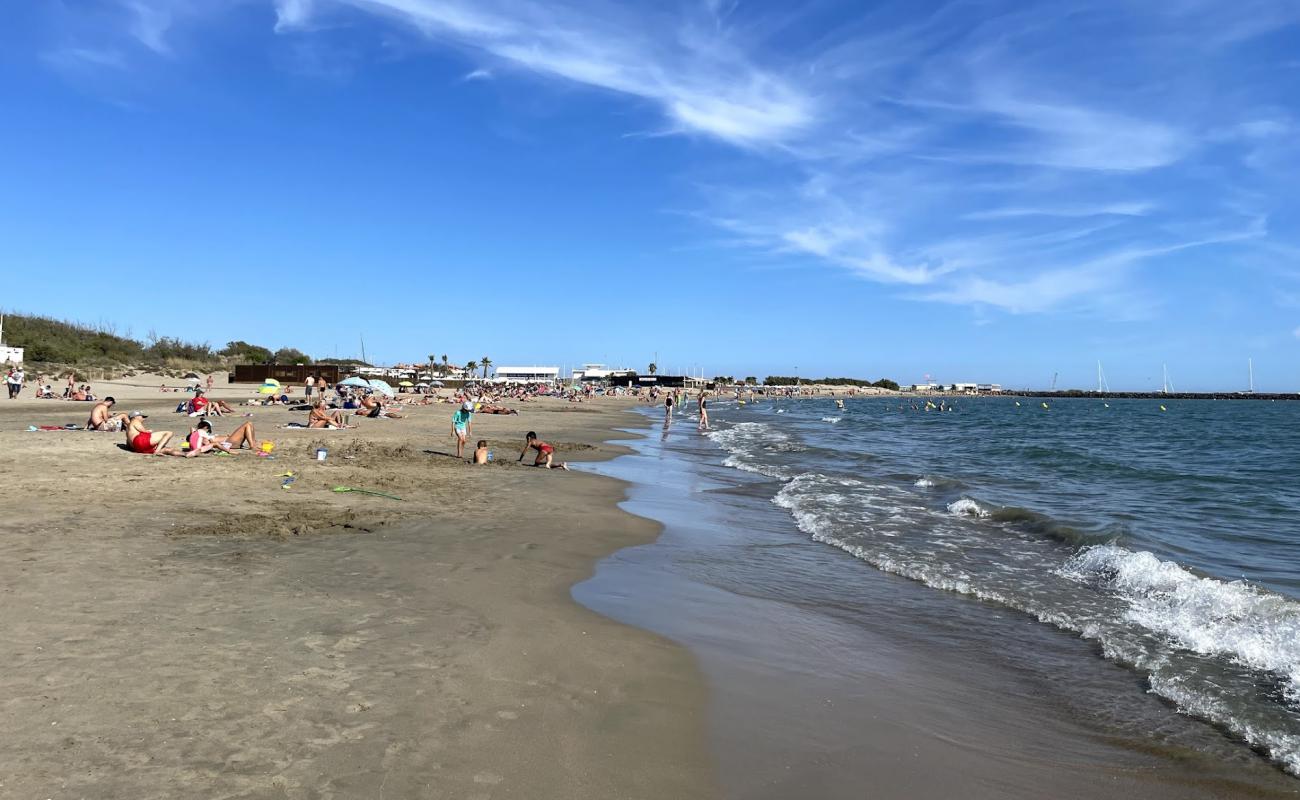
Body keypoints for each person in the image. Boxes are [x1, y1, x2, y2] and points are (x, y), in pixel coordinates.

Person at [124, 411, 189, 457]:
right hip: (141, 441)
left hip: (138, 448)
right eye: (142, 417)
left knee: (167, 449)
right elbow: (144, 431)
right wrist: (148, 431)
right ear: (135, 417)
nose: (143, 419)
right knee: (168, 433)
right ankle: (157, 451)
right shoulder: (135, 421)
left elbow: (128, 443)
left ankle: (186, 454)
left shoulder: (128, 428)